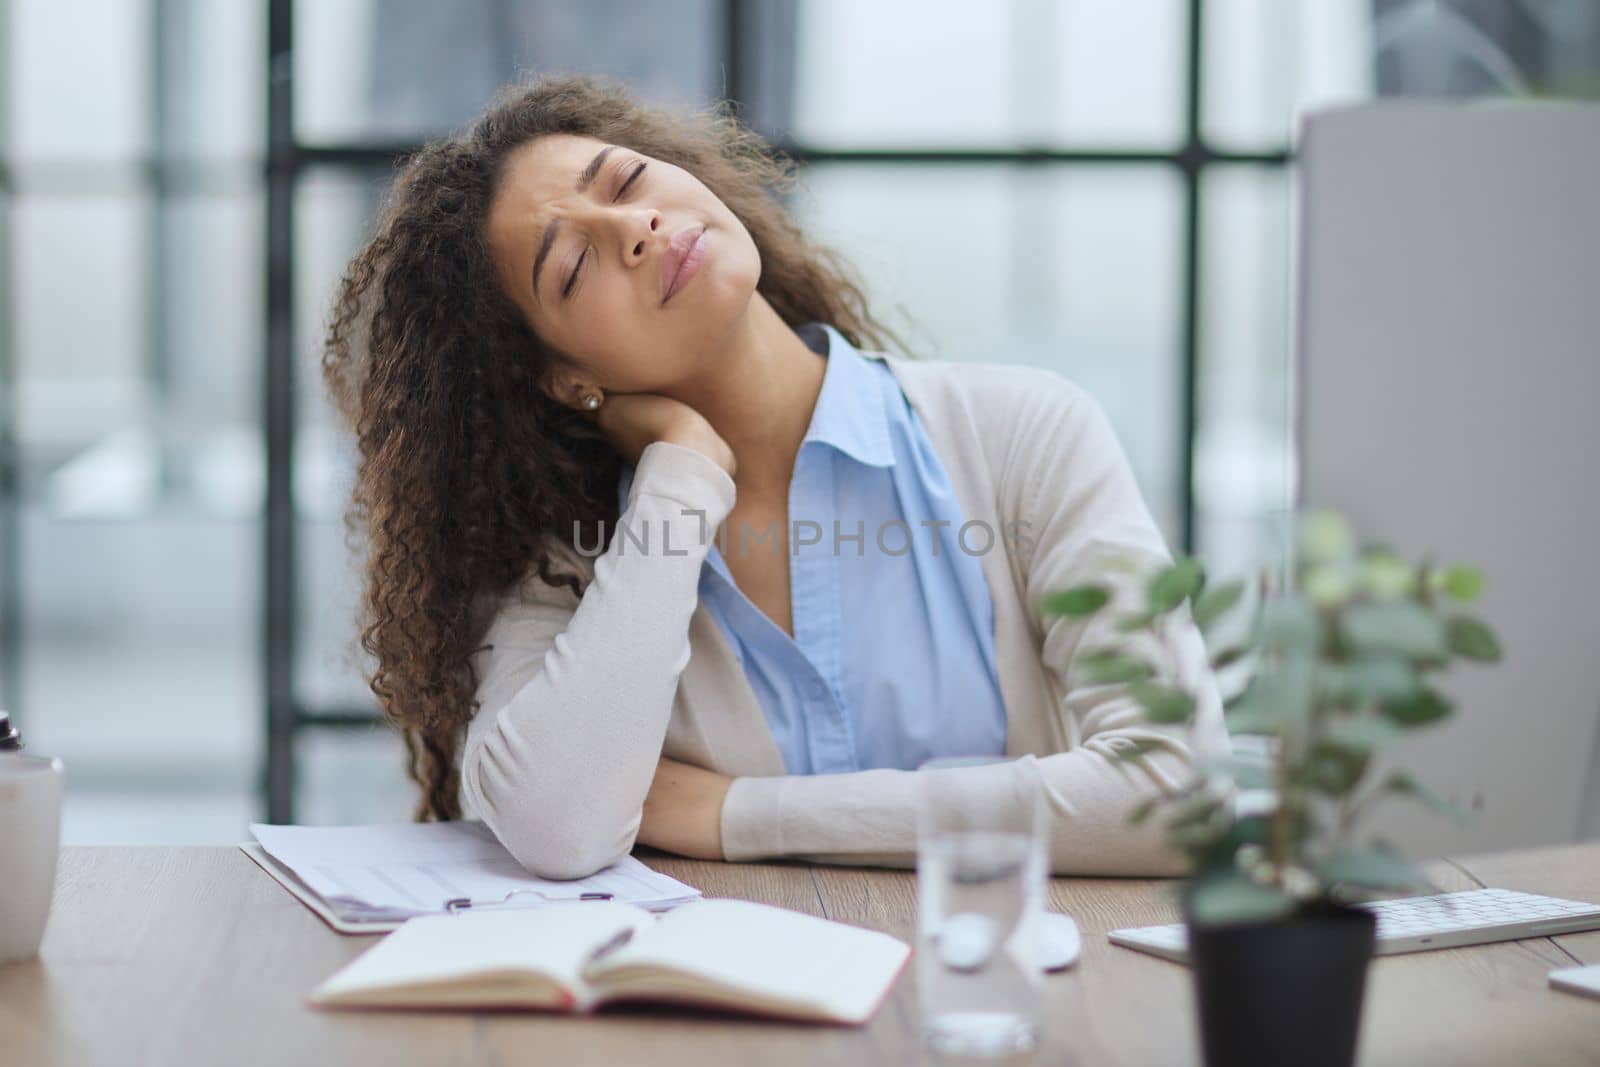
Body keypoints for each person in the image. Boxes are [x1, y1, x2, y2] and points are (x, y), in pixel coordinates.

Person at [321, 74, 1229, 881]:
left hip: (996, 1007)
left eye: (629, 182)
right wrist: (680, 470)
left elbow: (1179, 789)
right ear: (566, 378)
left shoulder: (1022, 434)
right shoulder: (566, 552)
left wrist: (731, 814)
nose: (633, 229)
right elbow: (556, 825)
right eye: (573, 264)